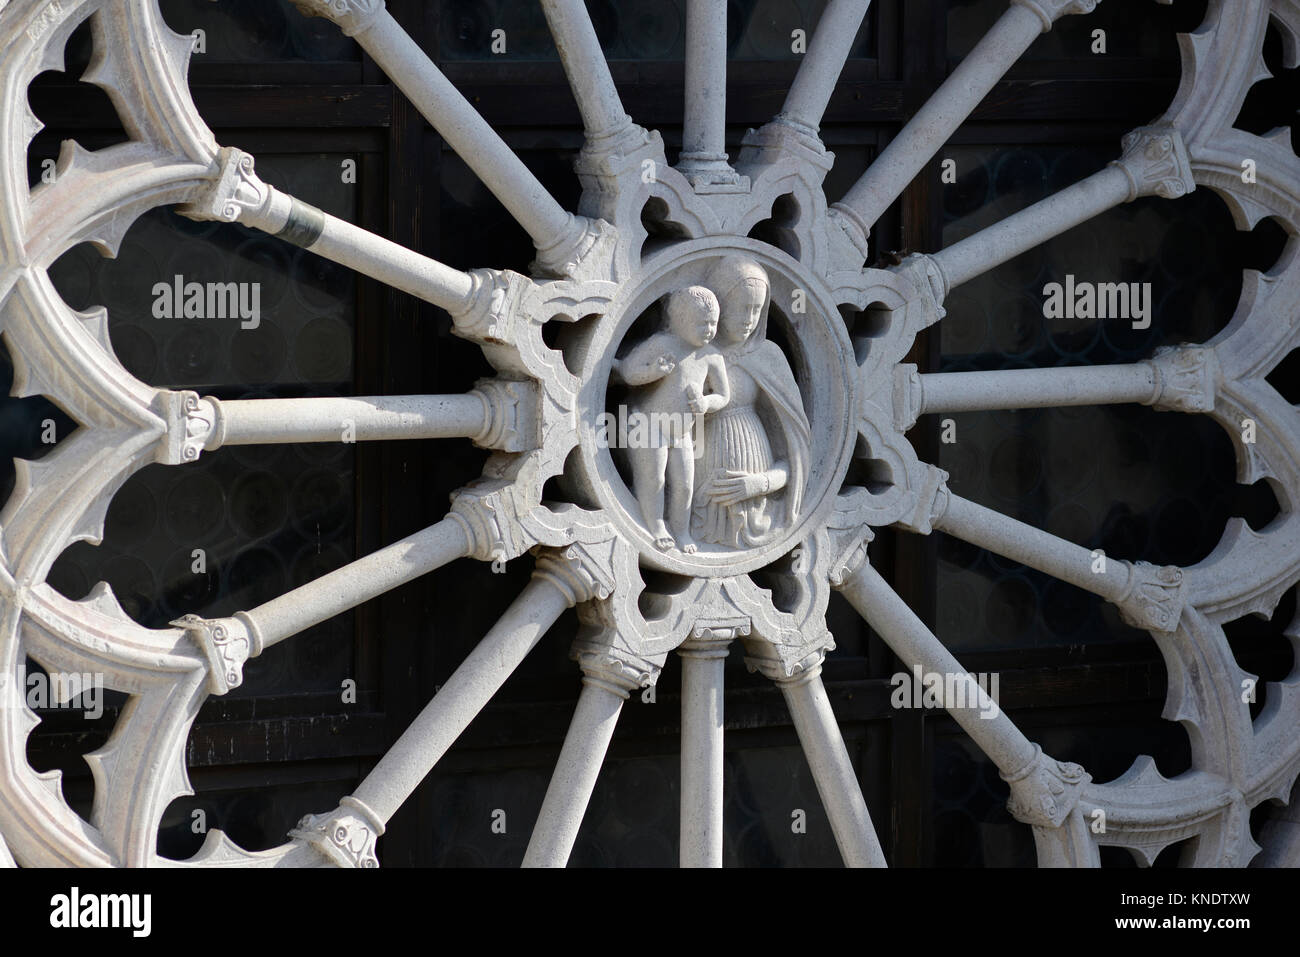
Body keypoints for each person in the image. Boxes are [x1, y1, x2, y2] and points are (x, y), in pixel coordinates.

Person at [693, 256, 811, 548]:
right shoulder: (694, 354)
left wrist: (757, 484)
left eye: (757, 310)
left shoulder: (767, 357)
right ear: (719, 302)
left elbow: (797, 457)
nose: (749, 319)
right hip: (698, 499)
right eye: (742, 307)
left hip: (760, 505)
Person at [615, 285, 730, 552]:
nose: (710, 330)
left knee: (685, 485)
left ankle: (681, 530)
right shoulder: (663, 344)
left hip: (682, 434)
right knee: (654, 478)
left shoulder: (711, 355)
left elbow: (723, 395)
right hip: (649, 426)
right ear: (680, 320)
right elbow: (629, 372)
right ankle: (656, 524)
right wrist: (654, 371)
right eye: (701, 323)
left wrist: (705, 402)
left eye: (713, 323)